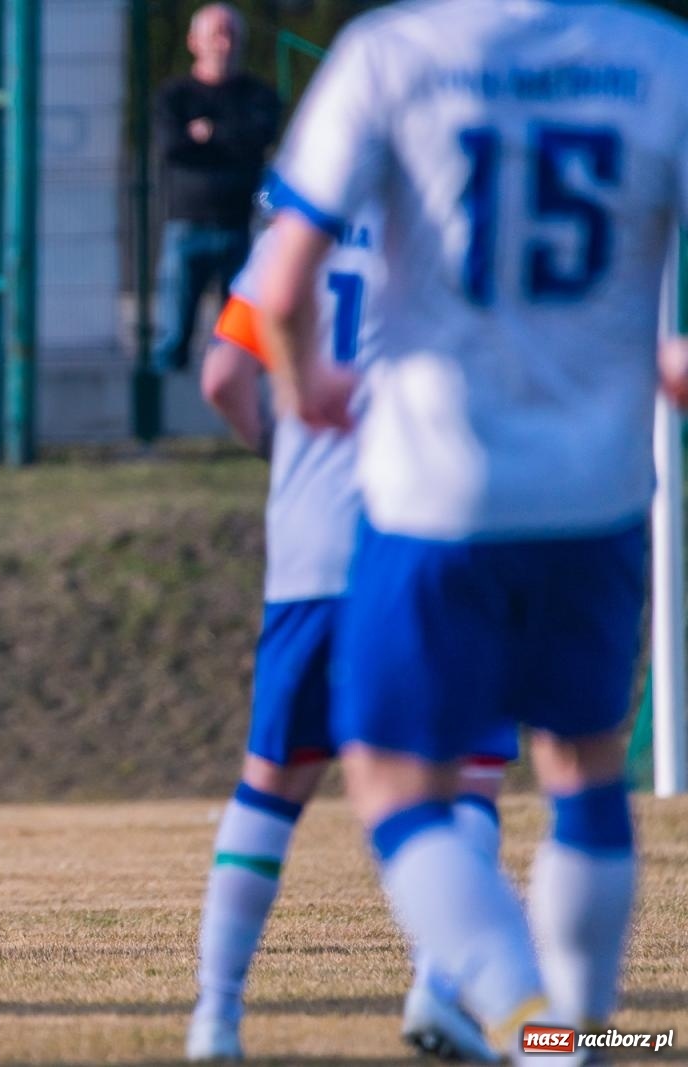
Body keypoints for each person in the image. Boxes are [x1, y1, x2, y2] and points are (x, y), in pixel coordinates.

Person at [256, 1, 688, 1059]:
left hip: (434, 495)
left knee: (394, 778)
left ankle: (535, 1030)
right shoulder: (659, 56)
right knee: (584, 764)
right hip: (596, 492)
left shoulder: (392, 53)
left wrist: (301, 378)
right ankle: (579, 1037)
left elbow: (279, 284)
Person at [187, 216, 513, 1063]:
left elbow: (223, 377)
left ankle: (216, 1019)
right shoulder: (457, 220)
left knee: (275, 781)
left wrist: (287, 450)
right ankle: (442, 990)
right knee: (468, 772)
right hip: (428, 534)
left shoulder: (296, 233)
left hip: (311, 544)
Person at [150, 3, 280, 373]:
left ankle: (233, 414)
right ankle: (164, 423)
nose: (223, 44)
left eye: (231, 35)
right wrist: (226, 138)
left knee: (238, 337)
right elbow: (171, 146)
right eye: (215, 35)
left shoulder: (256, 95)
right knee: (172, 334)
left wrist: (208, 134)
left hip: (241, 227)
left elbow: (258, 138)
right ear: (194, 42)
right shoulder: (175, 96)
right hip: (185, 226)